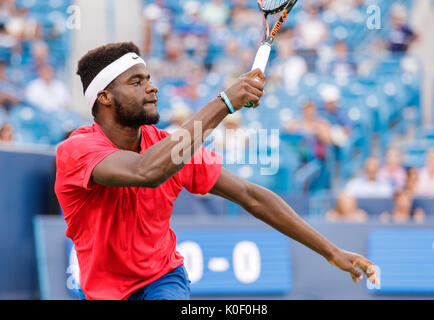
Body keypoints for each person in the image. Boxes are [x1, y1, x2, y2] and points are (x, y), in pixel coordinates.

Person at [54, 42, 378, 300]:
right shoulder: (77, 150)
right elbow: (145, 171)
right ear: (105, 96)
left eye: (149, 78)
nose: (151, 88)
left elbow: (252, 197)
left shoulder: (171, 148)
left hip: (162, 280)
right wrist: (225, 102)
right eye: (136, 81)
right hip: (101, 291)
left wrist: (330, 251)